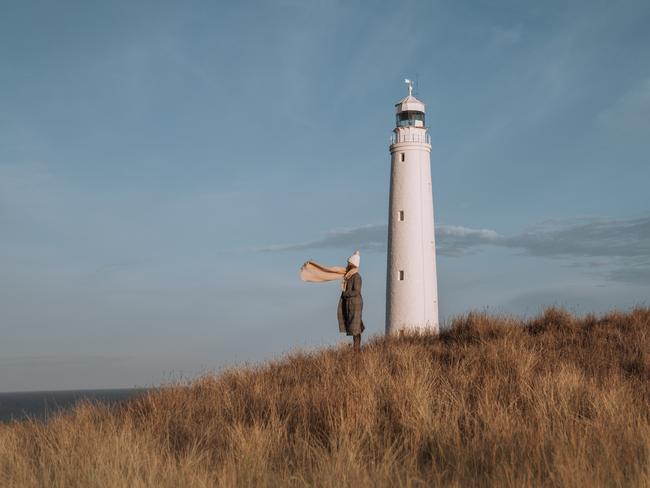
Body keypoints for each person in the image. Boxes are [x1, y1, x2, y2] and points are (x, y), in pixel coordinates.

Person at [337, 250, 365, 352]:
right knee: (355, 327)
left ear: (353, 264)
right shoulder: (350, 276)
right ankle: (356, 348)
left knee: (355, 328)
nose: (347, 265)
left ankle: (357, 349)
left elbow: (356, 291)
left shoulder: (356, 277)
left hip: (355, 304)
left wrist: (345, 294)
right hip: (352, 304)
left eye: (349, 263)